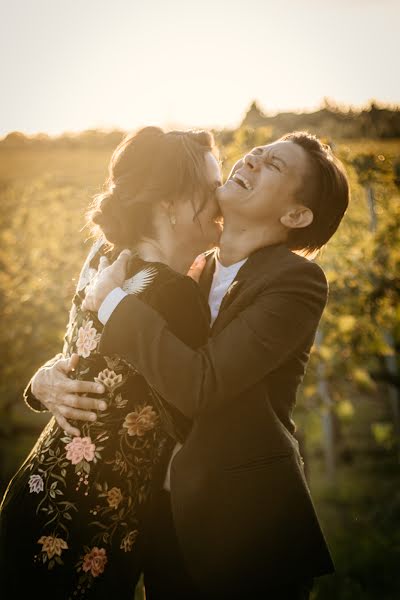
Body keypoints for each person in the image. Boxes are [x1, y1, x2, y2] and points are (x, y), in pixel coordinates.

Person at [80, 131, 350, 599]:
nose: (252, 158)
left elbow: (201, 384)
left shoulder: (296, 282)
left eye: (274, 165)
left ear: (296, 215)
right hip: (167, 520)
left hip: (245, 528)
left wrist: (114, 307)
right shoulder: (192, 265)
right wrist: (45, 381)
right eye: (258, 152)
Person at [0, 125, 223, 599]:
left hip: (39, 493)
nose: (221, 200)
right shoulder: (176, 295)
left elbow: (74, 359)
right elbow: (199, 406)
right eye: (210, 188)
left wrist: (41, 380)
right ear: (170, 203)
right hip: (91, 527)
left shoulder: (104, 257)